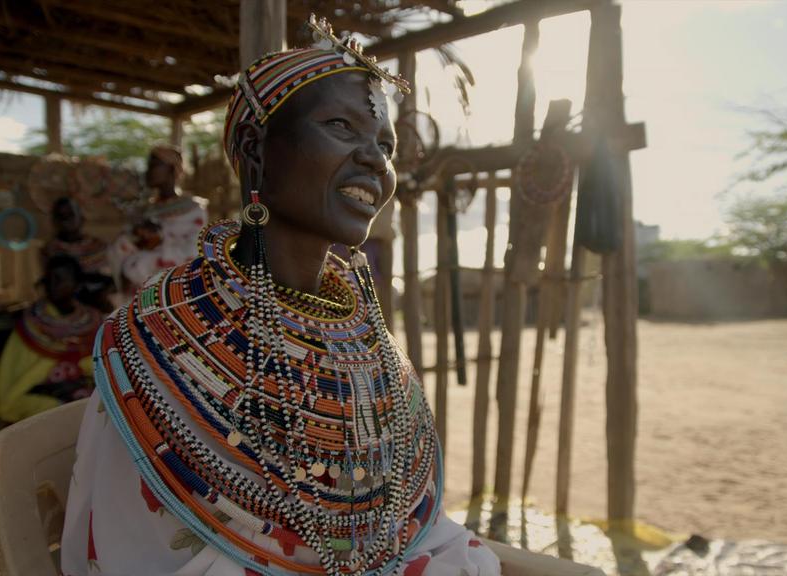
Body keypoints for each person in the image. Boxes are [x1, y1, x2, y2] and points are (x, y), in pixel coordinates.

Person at [61, 20, 500, 576]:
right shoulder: (157, 342)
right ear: (255, 149)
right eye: (342, 126)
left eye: (385, 145)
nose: (375, 160)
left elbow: (410, 526)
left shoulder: (371, 343)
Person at [0, 254, 101, 423]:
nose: (53, 285)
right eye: (50, 279)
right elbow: (12, 390)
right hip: (44, 401)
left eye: (60, 279)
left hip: (85, 396)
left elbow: (102, 371)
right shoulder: (30, 326)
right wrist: (54, 388)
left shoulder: (94, 325)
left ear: (77, 284)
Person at [111, 144, 209, 296]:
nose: (148, 171)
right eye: (148, 165)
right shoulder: (146, 210)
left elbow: (193, 252)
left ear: (171, 169)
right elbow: (127, 244)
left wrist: (160, 240)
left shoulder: (193, 209)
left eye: (154, 165)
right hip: (134, 285)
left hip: (171, 286)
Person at [42, 197, 116, 312]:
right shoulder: (50, 250)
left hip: (99, 305)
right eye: (60, 216)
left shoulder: (99, 247)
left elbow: (112, 281)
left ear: (81, 217)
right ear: (54, 221)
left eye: (70, 215)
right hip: (66, 309)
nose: (66, 220)